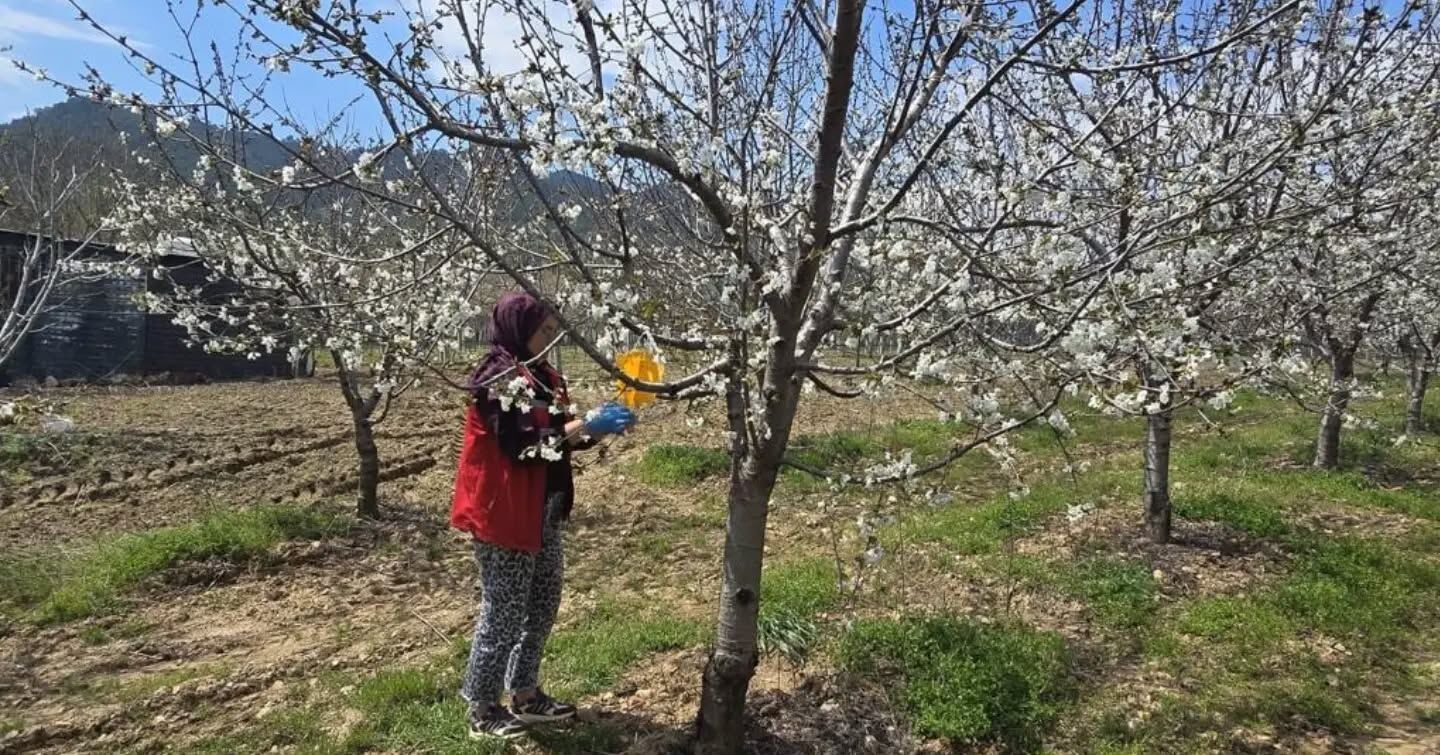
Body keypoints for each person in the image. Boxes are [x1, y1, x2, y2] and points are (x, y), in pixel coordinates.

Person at [451, 292, 637, 741]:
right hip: (506, 510)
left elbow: (563, 439)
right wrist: (585, 423)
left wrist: (595, 429)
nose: (550, 341)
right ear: (518, 329)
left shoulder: (544, 374)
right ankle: (482, 706)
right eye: (543, 332)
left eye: (554, 333)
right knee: (505, 610)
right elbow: (524, 445)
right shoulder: (496, 378)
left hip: (544, 508)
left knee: (542, 603)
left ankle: (526, 693)